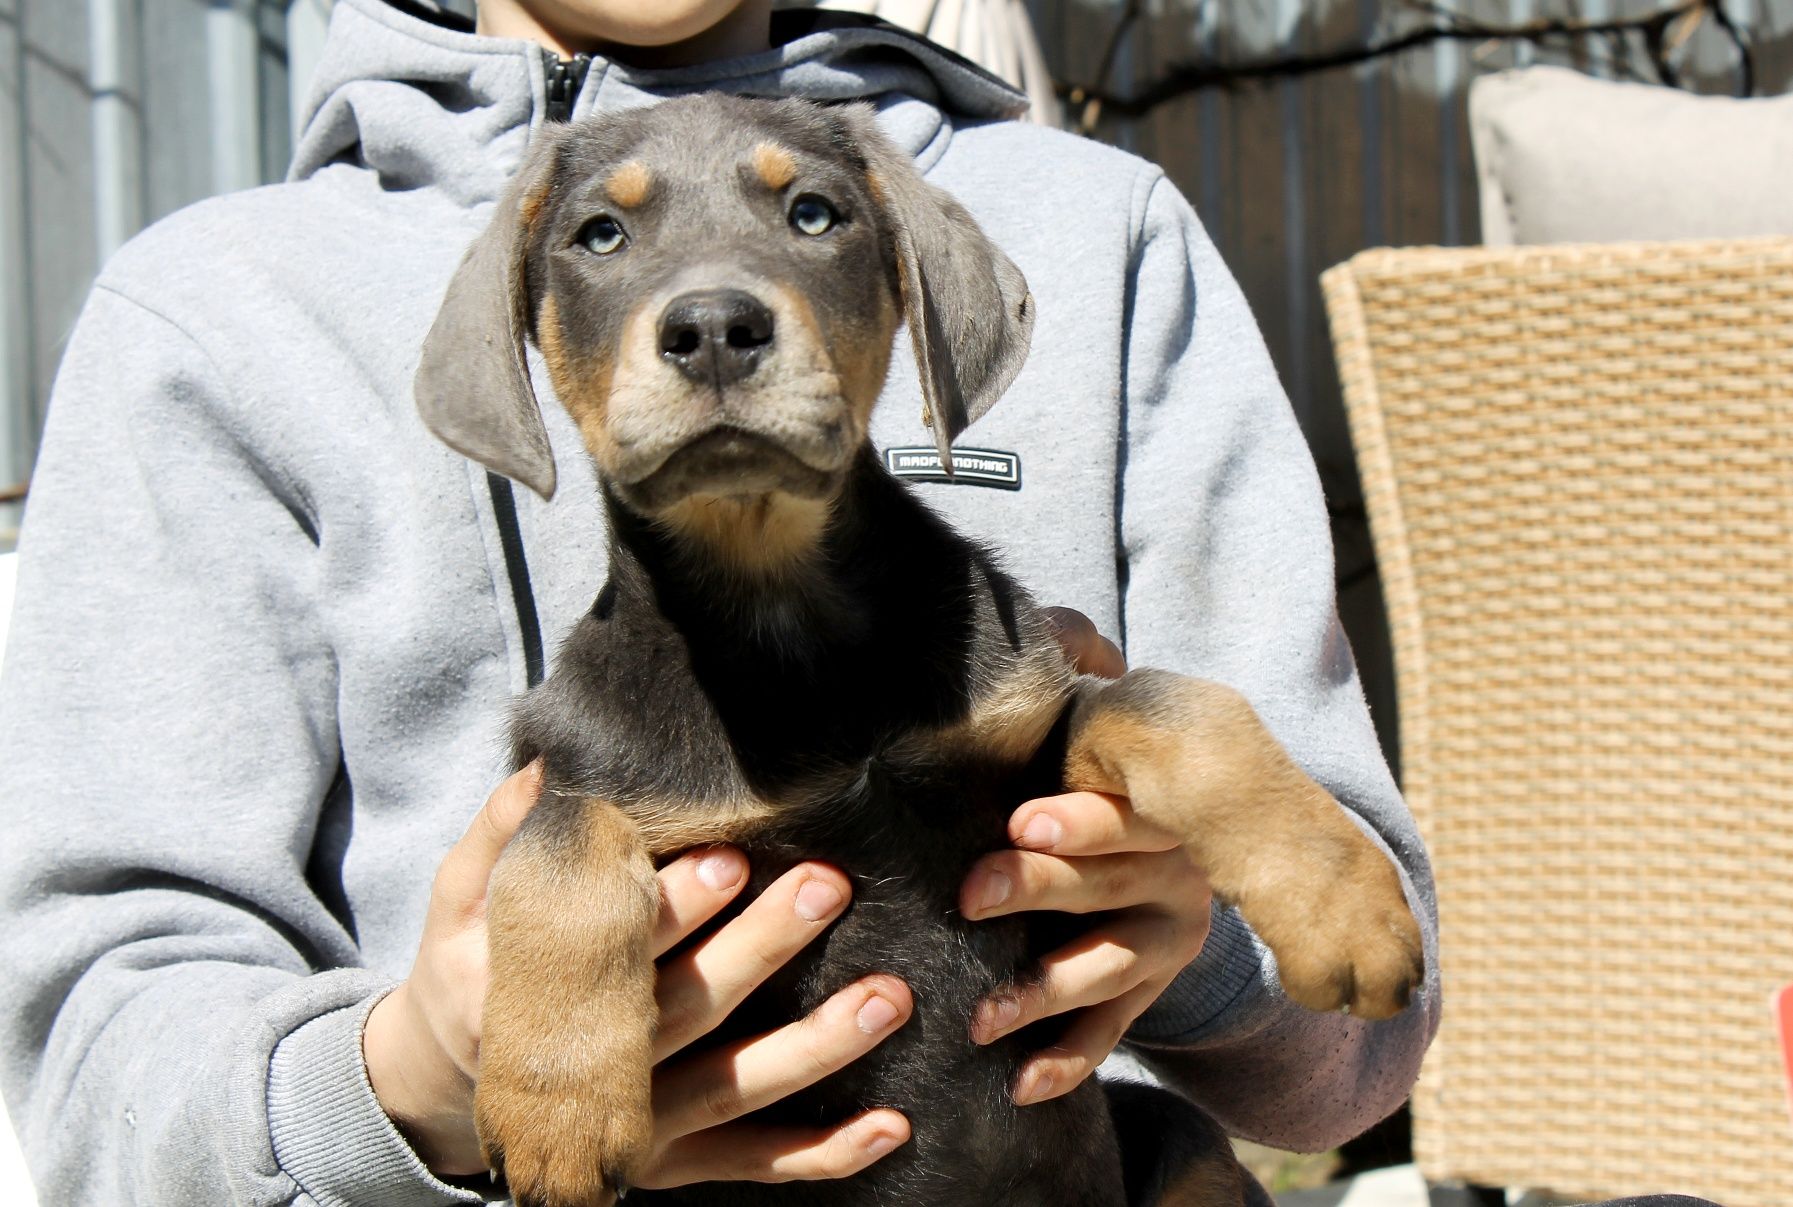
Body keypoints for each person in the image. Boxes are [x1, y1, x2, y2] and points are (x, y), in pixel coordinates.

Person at [0, 0, 1440, 1203]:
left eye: (806, 217)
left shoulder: (1093, 226)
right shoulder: (213, 312)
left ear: (904, 291)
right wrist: (415, 1082)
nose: (711, 312)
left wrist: (1190, 940)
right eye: (604, 244)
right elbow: (86, 1085)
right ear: (520, 350)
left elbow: (1359, 1034)